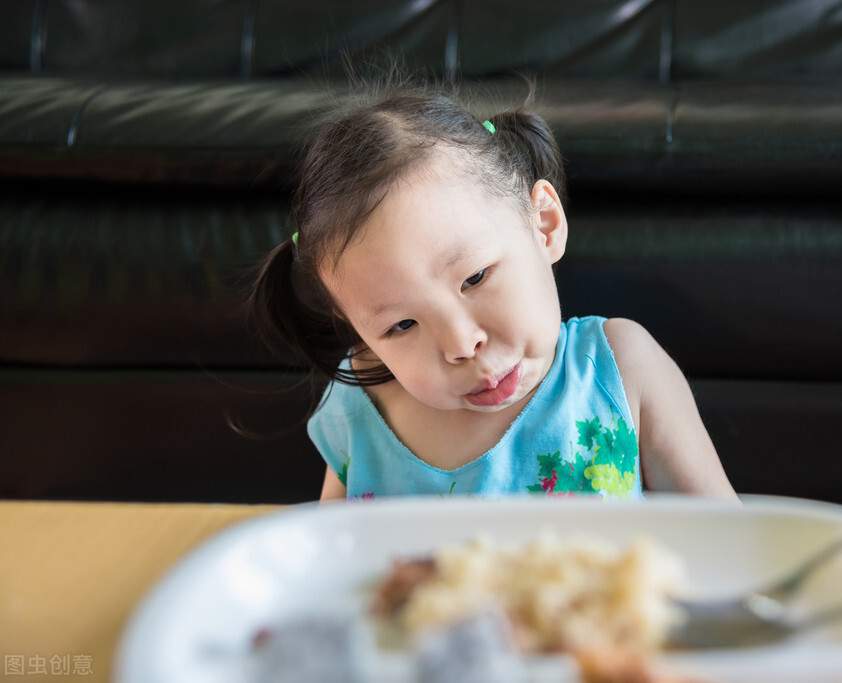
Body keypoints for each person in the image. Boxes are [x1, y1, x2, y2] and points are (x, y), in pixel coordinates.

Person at [248, 80, 736, 502]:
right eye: (401, 325)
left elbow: (731, 546)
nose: (461, 344)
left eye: (475, 277)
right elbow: (330, 563)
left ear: (543, 224)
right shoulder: (361, 403)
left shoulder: (619, 368)